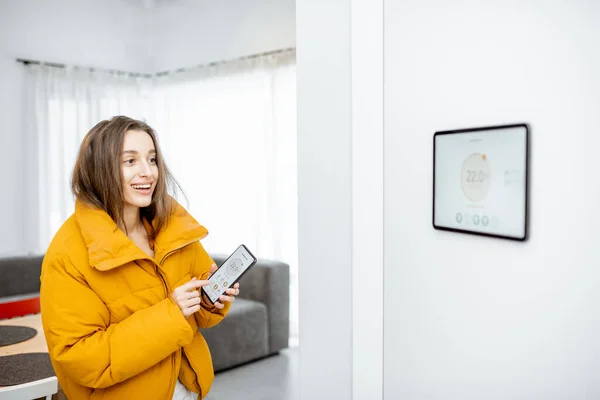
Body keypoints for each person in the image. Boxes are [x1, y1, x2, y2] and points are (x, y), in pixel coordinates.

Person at [40, 116, 239, 400]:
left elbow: (200, 317)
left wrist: (211, 299)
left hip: (187, 390)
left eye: (152, 159)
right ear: (99, 170)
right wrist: (172, 313)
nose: (148, 172)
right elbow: (81, 360)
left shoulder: (173, 227)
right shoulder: (67, 255)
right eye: (130, 161)